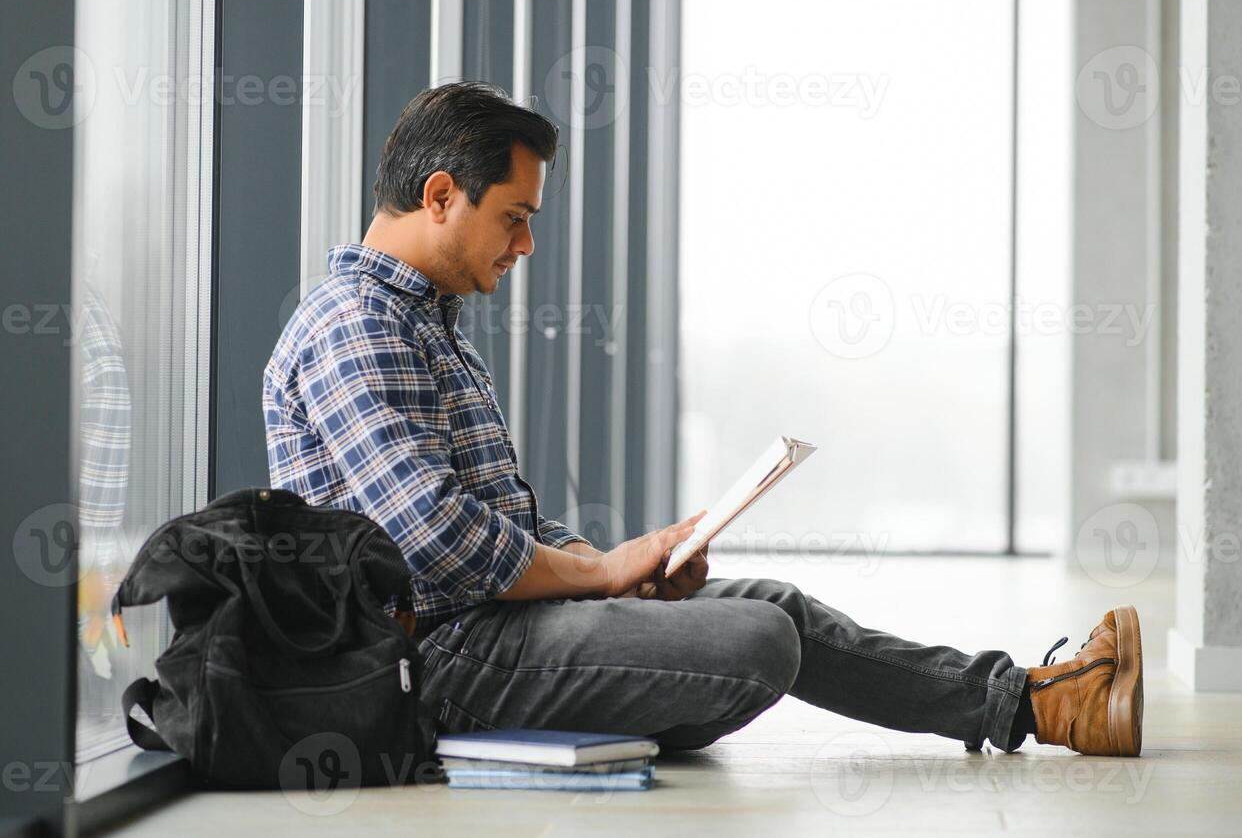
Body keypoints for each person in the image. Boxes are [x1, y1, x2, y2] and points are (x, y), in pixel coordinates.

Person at [263, 81, 1144, 757]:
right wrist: (600, 571)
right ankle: (1040, 704)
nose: (525, 246)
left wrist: (614, 569)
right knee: (757, 637)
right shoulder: (356, 325)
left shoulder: (421, 325)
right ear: (442, 194)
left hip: (487, 633)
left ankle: (1036, 705)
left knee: (776, 605)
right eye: (515, 218)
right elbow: (431, 542)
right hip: (441, 666)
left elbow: (483, 526)